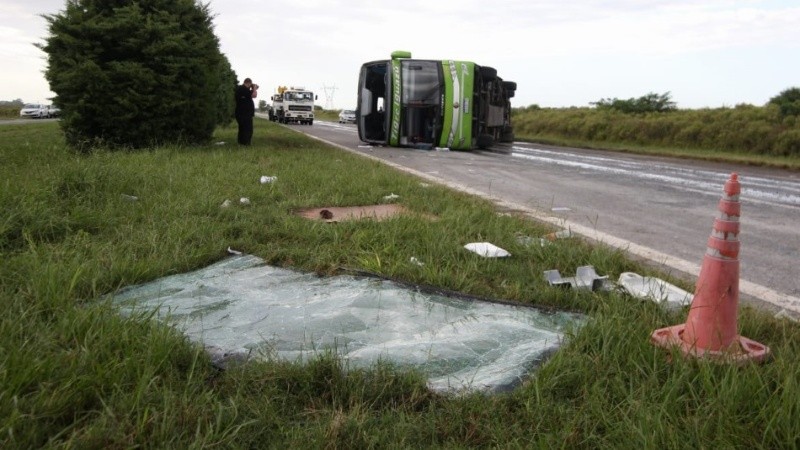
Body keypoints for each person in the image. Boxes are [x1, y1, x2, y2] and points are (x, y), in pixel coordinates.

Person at [235, 78, 259, 145]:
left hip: (242, 113)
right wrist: (254, 88)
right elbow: (254, 95)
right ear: (248, 83)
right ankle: (246, 143)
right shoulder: (243, 89)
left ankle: (241, 142)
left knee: (242, 129)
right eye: (250, 84)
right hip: (244, 113)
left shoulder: (242, 89)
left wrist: (253, 88)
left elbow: (252, 94)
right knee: (247, 129)